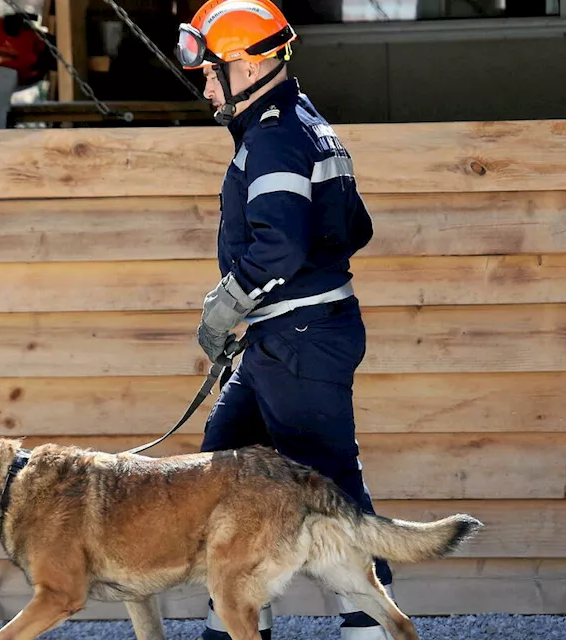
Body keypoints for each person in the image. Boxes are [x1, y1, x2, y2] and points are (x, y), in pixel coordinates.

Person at [174, 1, 396, 638]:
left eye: (213, 69)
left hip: (300, 337)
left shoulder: (272, 136)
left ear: (247, 65)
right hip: (285, 335)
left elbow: (282, 246)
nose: (206, 82)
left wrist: (228, 302)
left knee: (329, 489)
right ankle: (240, 622)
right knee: (220, 473)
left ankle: (372, 626)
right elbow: (356, 226)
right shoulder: (301, 122)